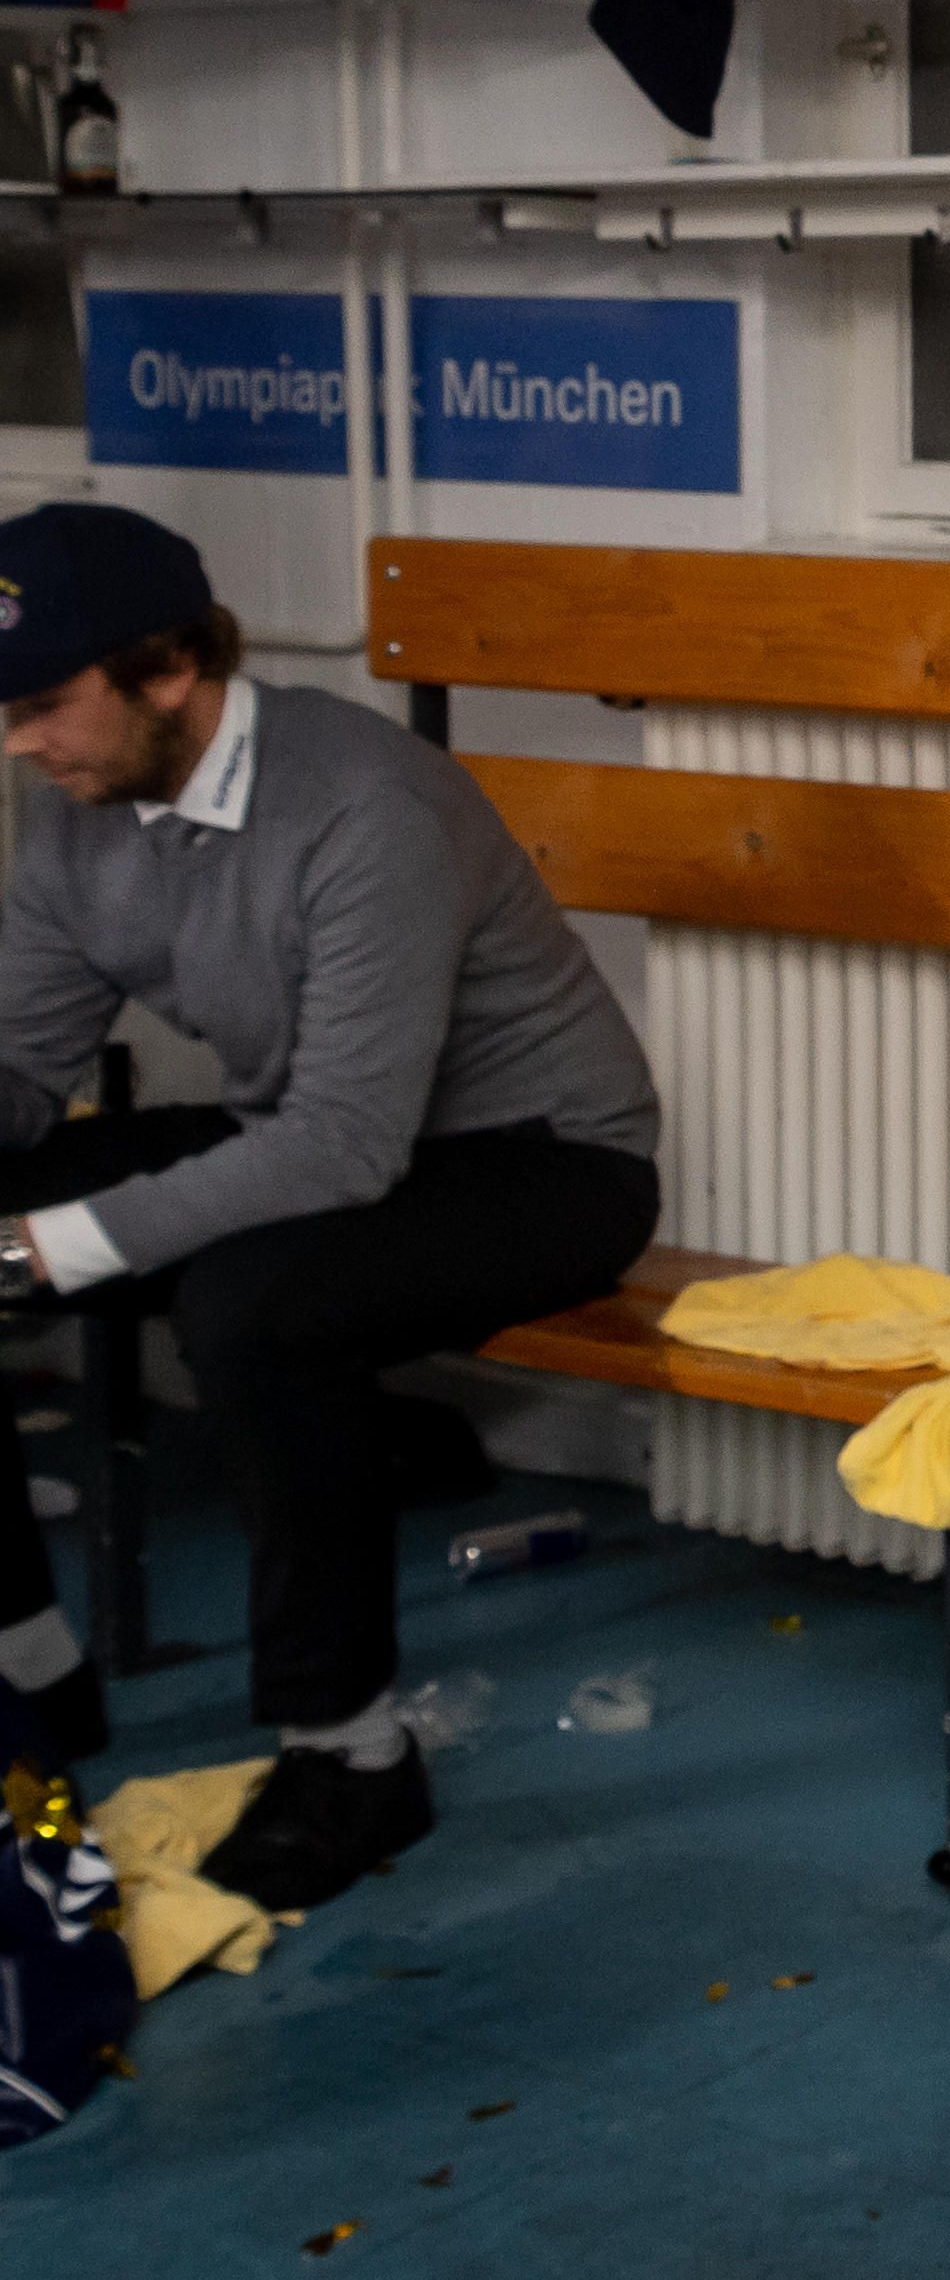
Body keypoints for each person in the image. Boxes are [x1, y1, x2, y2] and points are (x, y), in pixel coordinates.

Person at [0, 505, 660, 1904]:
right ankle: (29, 1677)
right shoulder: (73, 812)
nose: (16, 741)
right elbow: (15, 1064)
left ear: (169, 669)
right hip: (306, 1135)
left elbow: (344, 1149)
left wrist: (37, 1247)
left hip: (538, 1158)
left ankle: (350, 1756)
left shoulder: (368, 801)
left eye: (45, 705)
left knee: (250, 1309)